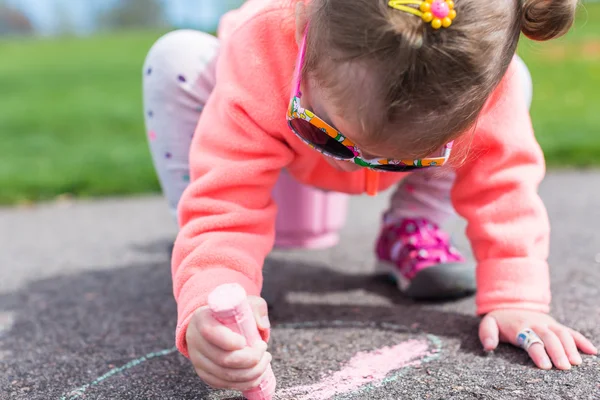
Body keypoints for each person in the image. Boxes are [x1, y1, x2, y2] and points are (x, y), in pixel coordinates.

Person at [142, 0, 597, 392]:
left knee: (513, 77)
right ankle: (199, 256)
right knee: (177, 57)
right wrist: (212, 294)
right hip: (275, 144)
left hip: (330, 124)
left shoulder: (483, 86)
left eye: (403, 157)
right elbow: (226, 202)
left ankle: (412, 225)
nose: (355, 161)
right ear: (306, 33)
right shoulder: (262, 51)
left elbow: (504, 187)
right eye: (335, 140)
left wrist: (518, 299)